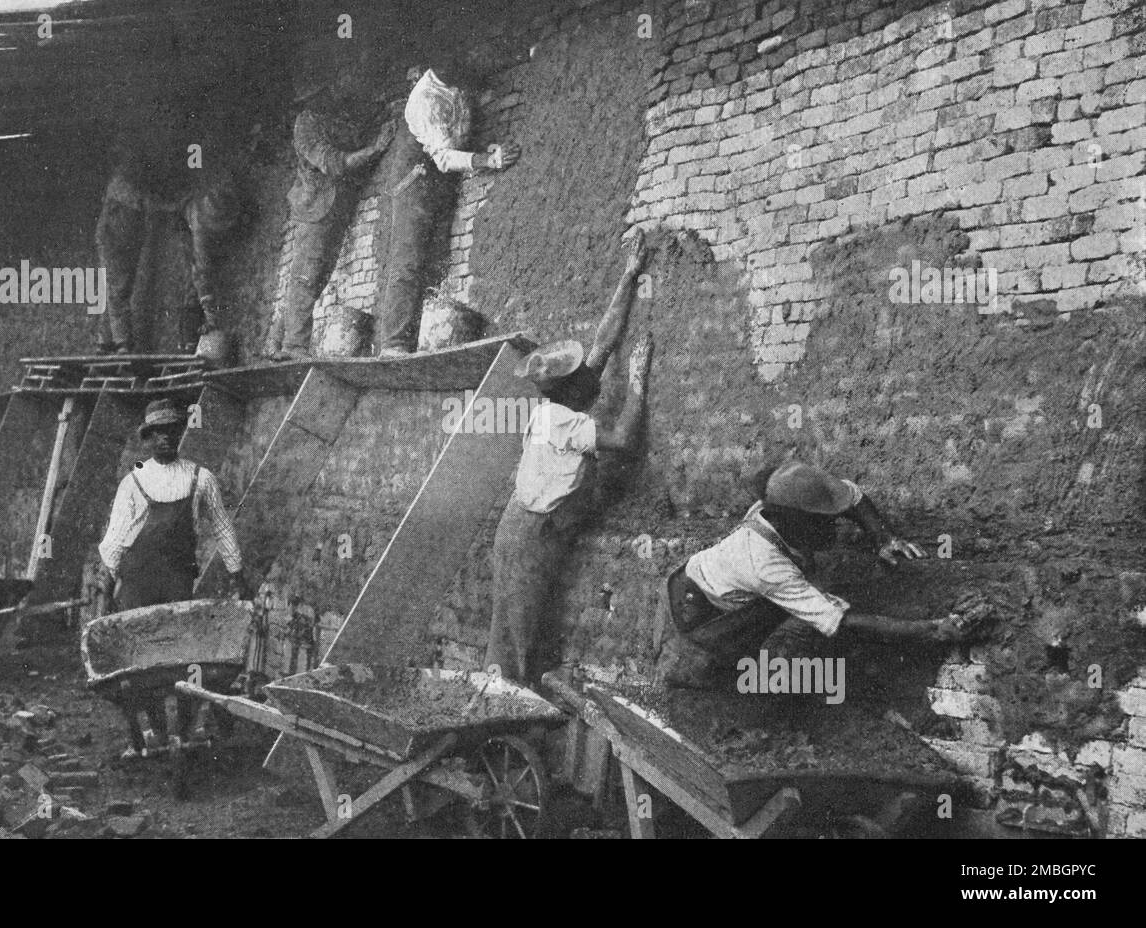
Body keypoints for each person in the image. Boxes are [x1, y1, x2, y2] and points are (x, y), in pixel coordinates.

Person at [658, 460, 985, 688]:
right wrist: (934, 629)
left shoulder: (783, 502)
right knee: (703, 681)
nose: (832, 527)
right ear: (791, 519)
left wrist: (884, 538)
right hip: (695, 619)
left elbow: (851, 497)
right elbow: (839, 621)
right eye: (822, 522)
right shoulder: (765, 566)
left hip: (719, 585)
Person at [485, 233, 651, 683]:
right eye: (584, 374)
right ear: (572, 388)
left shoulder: (560, 404)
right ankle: (510, 711)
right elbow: (622, 438)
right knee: (519, 631)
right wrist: (637, 381)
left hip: (526, 524)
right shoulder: (560, 421)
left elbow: (604, 341)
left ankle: (513, 699)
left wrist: (629, 275)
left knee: (521, 626)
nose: (591, 372)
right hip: (528, 533)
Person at [97, 399, 247, 757]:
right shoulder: (133, 481)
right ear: (146, 440)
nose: (164, 439)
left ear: (181, 433)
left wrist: (237, 573)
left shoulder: (201, 477)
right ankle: (157, 731)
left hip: (177, 581)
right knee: (140, 663)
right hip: (136, 582)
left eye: (171, 431)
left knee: (183, 658)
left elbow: (223, 527)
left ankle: (183, 728)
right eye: (156, 433)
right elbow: (116, 538)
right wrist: (107, 585)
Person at [377, 60, 521, 357]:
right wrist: (488, 161)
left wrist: (489, 148)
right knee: (409, 259)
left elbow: (461, 134)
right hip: (414, 179)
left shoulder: (456, 89)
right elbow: (443, 157)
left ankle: (425, 339)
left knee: (436, 259)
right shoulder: (426, 99)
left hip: (439, 181)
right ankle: (394, 344)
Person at [265, 75, 396, 361]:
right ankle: (294, 348)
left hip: (337, 206)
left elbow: (358, 134)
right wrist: (375, 149)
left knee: (317, 278)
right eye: (319, 94)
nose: (328, 96)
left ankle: (274, 342)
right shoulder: (305, 125)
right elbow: (334, 163)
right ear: (309, 100)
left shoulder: (337, 116)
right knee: (306, 276)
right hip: (315, 206)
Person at [96, 134, 242, 355]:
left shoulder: (216, 189)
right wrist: (173, 206)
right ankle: (121, 345)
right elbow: (146, 202)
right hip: (114, 240)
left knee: (118, 288)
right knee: (118, 288)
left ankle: (106, 342)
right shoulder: (121, 184)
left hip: (130, 239)